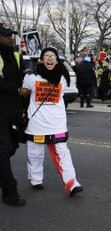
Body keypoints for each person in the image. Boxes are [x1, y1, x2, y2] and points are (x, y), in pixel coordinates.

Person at [22, 47, 83, 196]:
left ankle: (72, 183)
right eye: (47, 56)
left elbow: (62, 95)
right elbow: (24, 92)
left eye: (53, 56)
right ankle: (36, 179)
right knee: (35, 153)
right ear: (41, 60)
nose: (50, 58)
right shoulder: (31, 77)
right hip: (36, 124)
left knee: (63, 153)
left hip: (57, 124)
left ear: (57, 60)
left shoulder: (62, 77)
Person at [0, 25, 28, 207]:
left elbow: (19, 79)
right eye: (7, 35)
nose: (11, 38)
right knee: (3, 150)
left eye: (12, 35)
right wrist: (17, 89)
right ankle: (10, 192)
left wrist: (23, 106)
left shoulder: (15, 54)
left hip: (13, 109)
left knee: (13, 145)